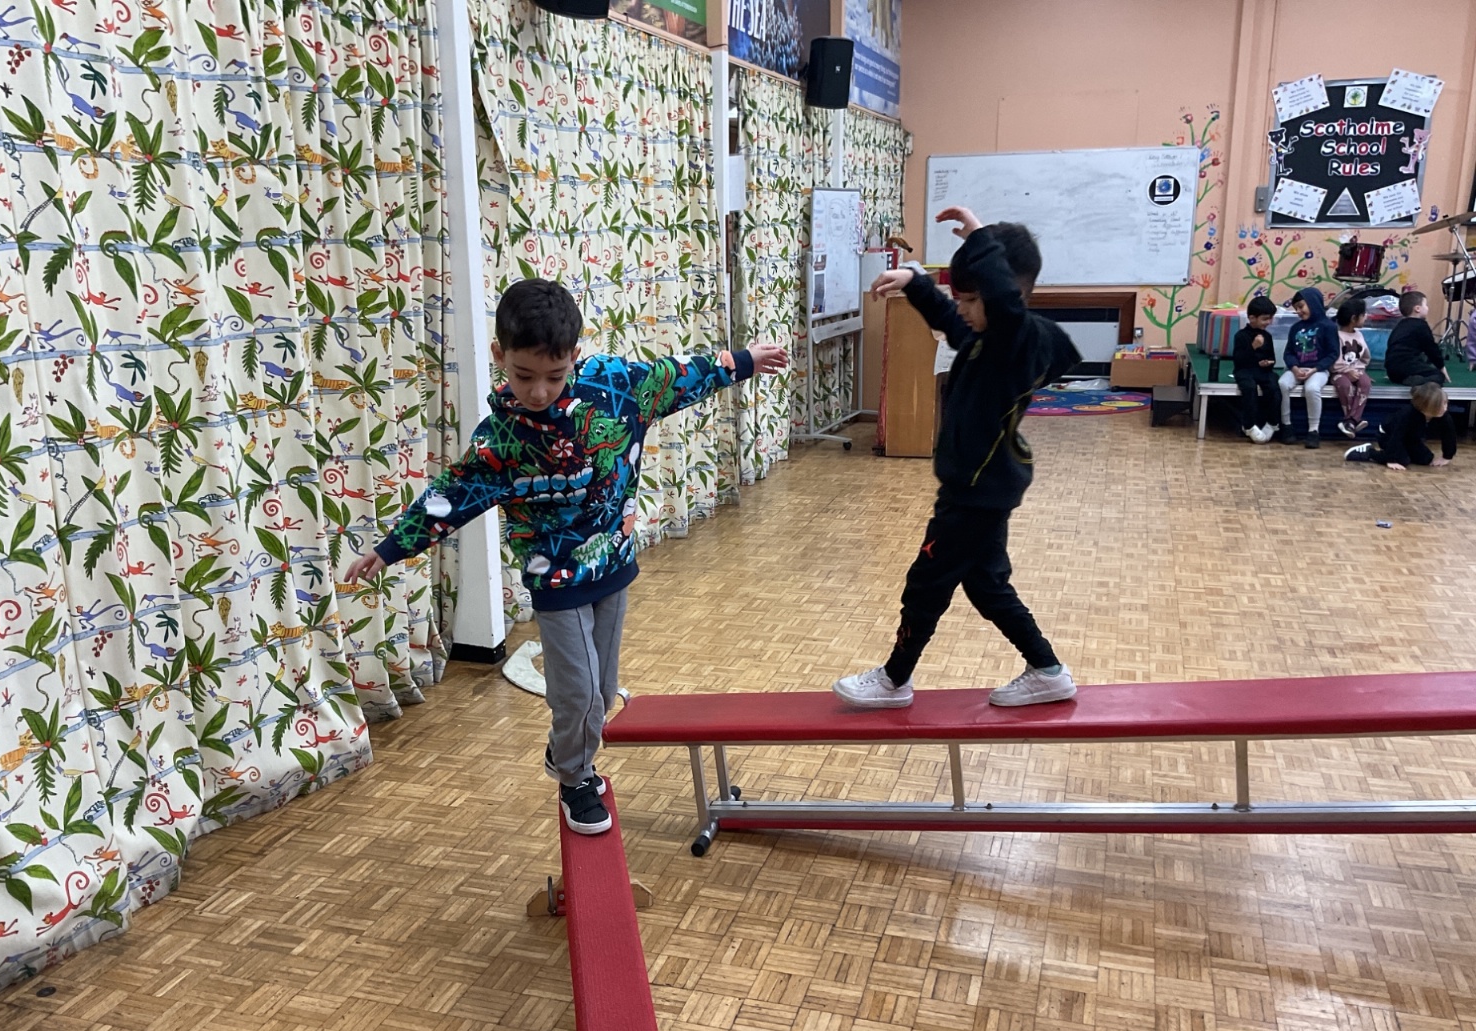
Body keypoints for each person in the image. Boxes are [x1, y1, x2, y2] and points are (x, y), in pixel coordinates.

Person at [343, 279, 787, 835]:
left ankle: (566, 753)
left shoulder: (615, 386)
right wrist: (389, 548)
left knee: (601, 692)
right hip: (554, 579)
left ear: (575, 355)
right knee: (577, 696)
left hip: (613, 564)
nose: (538, 391)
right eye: (523, 375)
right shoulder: (500, 439)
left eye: (554, 376)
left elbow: (678, 376)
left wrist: (743, 361)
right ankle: (576, 777)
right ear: (499, 355)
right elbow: (451, 495)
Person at [834, 207, 1081, 711]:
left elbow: (1002, 304)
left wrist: (981, 236)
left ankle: (894, 679)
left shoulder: (1016, 344)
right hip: (979, 490)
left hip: (975, 494)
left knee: (926, 584)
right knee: (987, 586)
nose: (961, 308)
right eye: (959, 297)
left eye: (971, 298)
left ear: (1008, 293)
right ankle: (1047, 670)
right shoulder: (986, 343)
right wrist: (917, 284)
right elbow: (949, 321)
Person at [1277, 287, 1338, 449]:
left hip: (1318, 370)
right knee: (1282, 384)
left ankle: (1313, 430)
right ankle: (1286, 425)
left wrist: (1316, 369)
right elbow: (1288, 352)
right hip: (1297, 369)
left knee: (1312, 388)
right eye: (1296, 308)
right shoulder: (1295, 328)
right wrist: (1294, 367)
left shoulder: (1329, 327)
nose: (1298, 311)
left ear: (1313, 303)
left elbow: (1333, 354)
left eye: (1301, 306)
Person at [1344, 381, 1455, 469]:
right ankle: (1370, 452)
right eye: (1440, 405)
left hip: (1411, 438)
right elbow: (1396, 435)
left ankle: (1401, 453)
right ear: (1425, 406)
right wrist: (1391, 459)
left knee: (1426, 459)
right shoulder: (1406, 414)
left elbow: (1449, 435)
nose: (1445, 408)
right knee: (1402, 460)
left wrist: (1447, 456)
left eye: (1446, 403)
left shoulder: (1443, 415)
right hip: (1387, 435)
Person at [1232, 295, 1280, 442]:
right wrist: (1253, 346)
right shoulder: (1241, 336)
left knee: (1274, 386)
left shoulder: (1267, 336)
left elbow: (1272, 358)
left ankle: (1272, 423)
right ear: (1252, 318)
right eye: (1265, 319)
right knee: (1249, 388)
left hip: (1263, 371)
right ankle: (1249, 425)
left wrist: (1268, 363)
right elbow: (1239, 361)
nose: (1268, 322)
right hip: (1244, 370)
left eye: (1270, 319)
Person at [1384, 290, 1449, 386]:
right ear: (1417, 309)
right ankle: (1418, 381)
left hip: (1391, 370)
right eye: (1426, 305)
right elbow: (1431, 349)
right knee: (1438, 376)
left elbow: (1391, 344)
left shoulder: (1400, 325)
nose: (1427, 308)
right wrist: (1441, 367)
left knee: (1417, 365)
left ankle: (1407, 378)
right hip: (1407, 366)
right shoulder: (1421, 325)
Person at [1332, 297, 1373, 437]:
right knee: (1344, 385)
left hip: (1356, 370)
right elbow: (1334, 361)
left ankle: (1351, 420)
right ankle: (1352, 420)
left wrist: (1360, 371)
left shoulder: (1359, 335)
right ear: (1354, 318)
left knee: (1365, 382)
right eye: (1363, 314)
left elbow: (1365, 357)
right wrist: (1347, 371)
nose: (1366, 317)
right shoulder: (1336, 336)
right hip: (1338, 372)